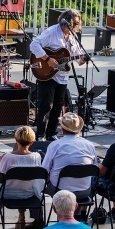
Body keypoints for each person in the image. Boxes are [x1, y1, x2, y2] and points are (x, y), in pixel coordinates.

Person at [27, 113, 96, 229]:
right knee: (78, 181)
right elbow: (94, 169)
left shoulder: (55, 145)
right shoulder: (89, 145)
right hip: (84, 190)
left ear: (62, 128)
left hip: (60, 190)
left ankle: (38, 220)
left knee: (35, 183)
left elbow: (44, 171)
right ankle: (77, 217)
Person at [29, 9, 86, 141]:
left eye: (77, 23)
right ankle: (40, 134)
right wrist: (47, 59)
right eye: (75, 23)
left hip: (62, 76)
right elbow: (34, 44)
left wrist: (83, 59)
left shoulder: (72, 37)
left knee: (58, 106)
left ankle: (51, 133)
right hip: (48, 73)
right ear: (66, 22)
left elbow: (77, 58)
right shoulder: (51, 32)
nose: (76, 26)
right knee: (46, 106)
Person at [0, 125, 43, 229]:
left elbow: (1, 177)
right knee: (24, 184)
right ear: (32, 142)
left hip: (8, 195)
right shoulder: (36, 156)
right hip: (28, 193)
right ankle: (22, 217)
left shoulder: (8, 157)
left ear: (15, 140)